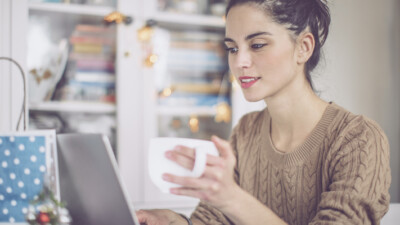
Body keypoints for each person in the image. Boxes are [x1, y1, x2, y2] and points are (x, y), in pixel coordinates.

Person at [136, 0, 392, 224]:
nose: (239, 62)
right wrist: (176, 221)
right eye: (232, 48)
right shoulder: (246, 131)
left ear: (303, 47)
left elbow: (229, 203)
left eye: (257, 45)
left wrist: (232, 198)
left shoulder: (358, 139)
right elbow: (213, 219)